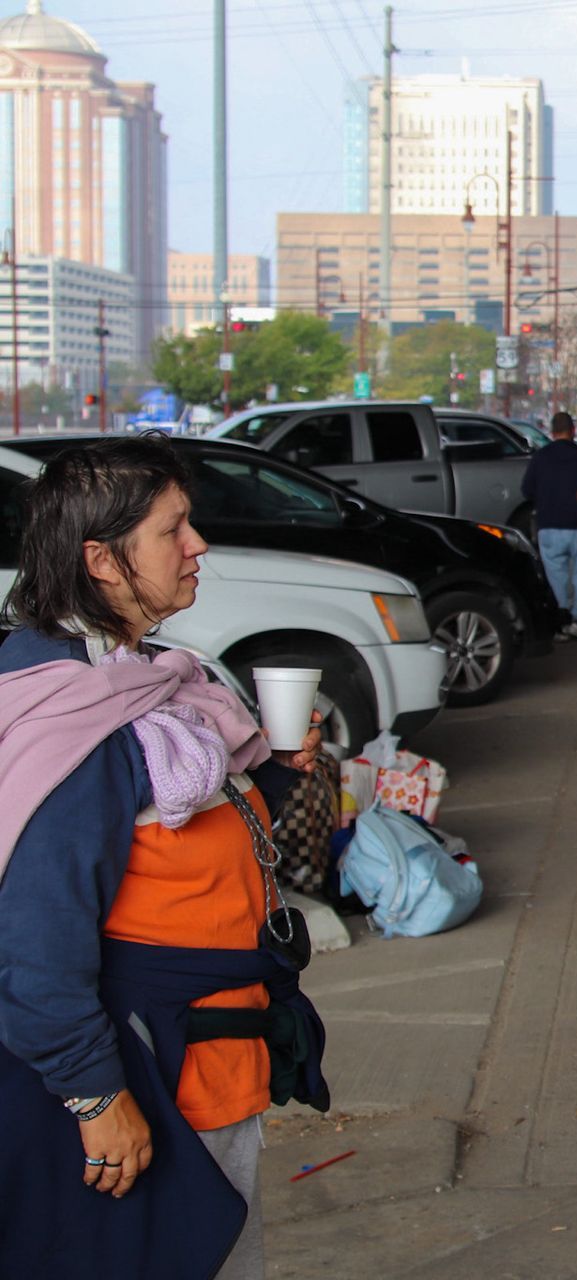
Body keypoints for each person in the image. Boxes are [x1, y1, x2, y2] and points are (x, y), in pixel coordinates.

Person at [0, 436, 329, 1279]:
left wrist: (282, 780)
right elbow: (33, 945)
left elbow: (195, 846)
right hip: (151, 1081)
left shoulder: (145, 681)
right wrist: (98, 1098)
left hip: (215, 1060)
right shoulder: (79, 727)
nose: (198, 547)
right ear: (102, 560)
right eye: (173, 531)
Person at [521, 409, 577, 642]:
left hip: (549, 525)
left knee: (556, 576)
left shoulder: (540, 457)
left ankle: (560, 622)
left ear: (552, 432)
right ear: (573, 430)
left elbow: (527, 491)